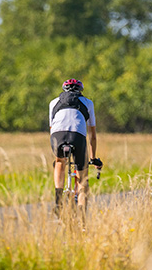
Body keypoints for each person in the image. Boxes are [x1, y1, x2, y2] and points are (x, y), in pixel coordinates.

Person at [49, 78, 103, 215]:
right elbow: (93, 135)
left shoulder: (53, 102)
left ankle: (58, 201)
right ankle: (82, 218)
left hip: (57, 136)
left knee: (60, 161)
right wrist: (93, 157)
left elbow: (52, 128)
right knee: (82, 179)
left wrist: (57, 156)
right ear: (80, 91)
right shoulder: (88, 103)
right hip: (77, 137)